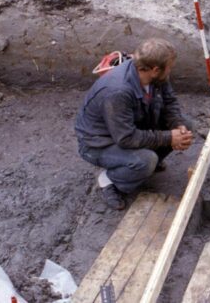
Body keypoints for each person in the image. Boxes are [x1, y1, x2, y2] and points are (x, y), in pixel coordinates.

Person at [75, 38, 194, 210]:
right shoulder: (117, 92)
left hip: (130, 128)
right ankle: (110, 180)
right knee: (145, 161)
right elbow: (126, 138)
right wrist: (168, 138)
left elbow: (169, 101)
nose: (170, 70)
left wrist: (178, 124)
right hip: (99, 144)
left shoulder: (156, 76)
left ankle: (142, 166)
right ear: (155, 69)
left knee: (186, 126)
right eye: (169, 67)